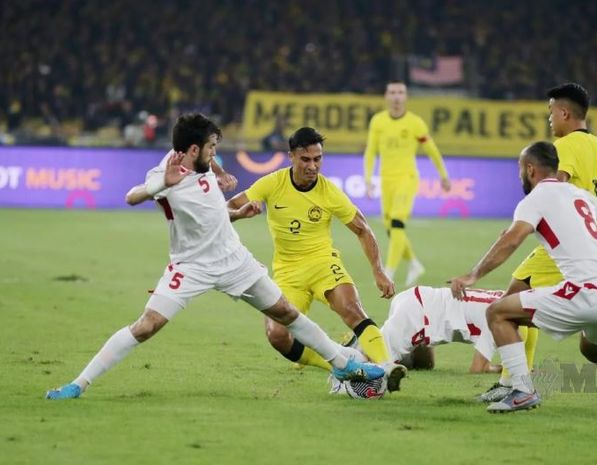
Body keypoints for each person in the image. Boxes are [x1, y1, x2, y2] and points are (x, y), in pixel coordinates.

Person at [45, 113, 384, 400]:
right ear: (193, 149)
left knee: (286, 312)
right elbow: (131, 196)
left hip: (233, 259)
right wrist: (160, 183)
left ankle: (344, 363)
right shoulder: (167, 173)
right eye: (212, 148)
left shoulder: (202, 162)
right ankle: (78, 384)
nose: (216, 153)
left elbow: (212, 214)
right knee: (146, 326)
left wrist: (231, 198)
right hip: (191, 266)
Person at [449, 141, 597, 414]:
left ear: (530, 169)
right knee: (592, 348)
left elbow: (512, 240)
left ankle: (521, 390)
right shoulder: (579, 194)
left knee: (498, 312)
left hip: (586, 293)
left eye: (520, 169)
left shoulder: (535, 199)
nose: (520, 174)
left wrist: (473, 275)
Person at [227, 127, 407, 392]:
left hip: (323, 263)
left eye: (317, 159)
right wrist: (241, 213)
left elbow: (362, 229)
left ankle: (387, 366)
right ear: (291, 156)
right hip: (288, 272)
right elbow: (227, 209)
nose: (313, 166)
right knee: (277, 335)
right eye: (306, 159)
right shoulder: (272, 183)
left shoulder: (329, 192)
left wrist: (378, 271)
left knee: (352, 310)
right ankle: (340, 365)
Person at [480, 82, 597, 403]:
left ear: (564, 112)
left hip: (558, 248)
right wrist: (592, 212)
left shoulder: (566, 147)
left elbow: (553, 189)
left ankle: (516, 385)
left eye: (550, 113)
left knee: (511, 308)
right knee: (517, 301)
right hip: (584, 246)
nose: (549, 120)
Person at [363, 81, 451, 287]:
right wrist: (368, 179)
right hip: (387, 180)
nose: (396, 97)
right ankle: (413, 263)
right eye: (392, 92)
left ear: (406, 97)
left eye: (400, 93)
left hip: (407, 178)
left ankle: (389, 272)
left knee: (396, 223)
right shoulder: (378, 121)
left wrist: (443, 175)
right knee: (391, 229)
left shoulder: (415, 123)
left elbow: (432, 150)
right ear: (386, 96)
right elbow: (370, 151)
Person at [343, 285, 504, 373]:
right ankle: (347, 349)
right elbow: (477, 369)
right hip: (418, 314)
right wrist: (501, 369)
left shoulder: (506, 298)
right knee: (372, 365)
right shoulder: (500, 319)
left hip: (420, 299)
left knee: (424, 365)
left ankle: (373, 340)